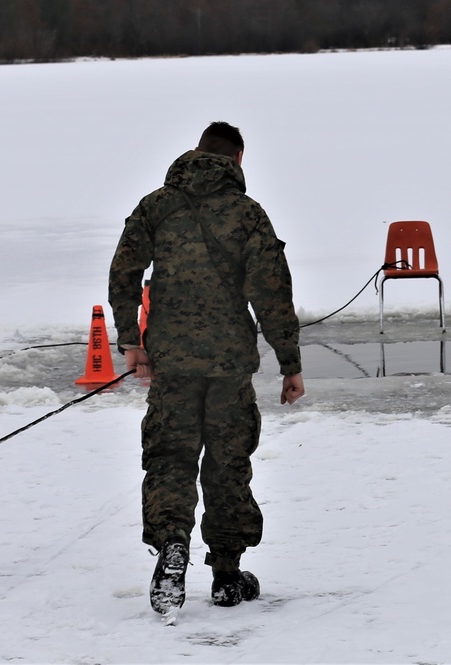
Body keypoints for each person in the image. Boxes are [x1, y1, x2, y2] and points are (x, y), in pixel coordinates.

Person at [108, 121, 305, 615]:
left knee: (170, 457)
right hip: (229, 364)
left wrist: (131, 340)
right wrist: (290, 364)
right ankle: (226, 575)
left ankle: (173, 544)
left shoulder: (157, 205)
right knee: (227, 463)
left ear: (196, 153)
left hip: (171, 360)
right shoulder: (246, 214)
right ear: (238, 159)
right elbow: (272, 292)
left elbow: (124, 271)